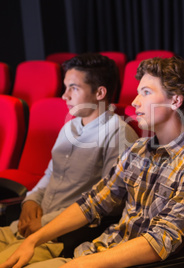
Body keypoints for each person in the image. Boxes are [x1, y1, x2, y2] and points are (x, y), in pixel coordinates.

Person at [1, 57, 184, 268]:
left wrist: (79, 264)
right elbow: (93, 203)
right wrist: (33, 240)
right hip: (94, 251)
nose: (135, 102)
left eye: (146, 92)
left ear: (175, 101)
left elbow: (158, 242)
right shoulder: (138, 149)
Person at [0, 53, 138, 263]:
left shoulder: (118, 133)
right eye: (65, 87)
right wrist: (30, 200)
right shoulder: (69, 127)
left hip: (57, 237)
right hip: (24, 227)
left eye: (73, 88)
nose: (64, 96)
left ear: (100, 92)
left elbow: (111, 202)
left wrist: (44, 222)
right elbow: (50, 174)